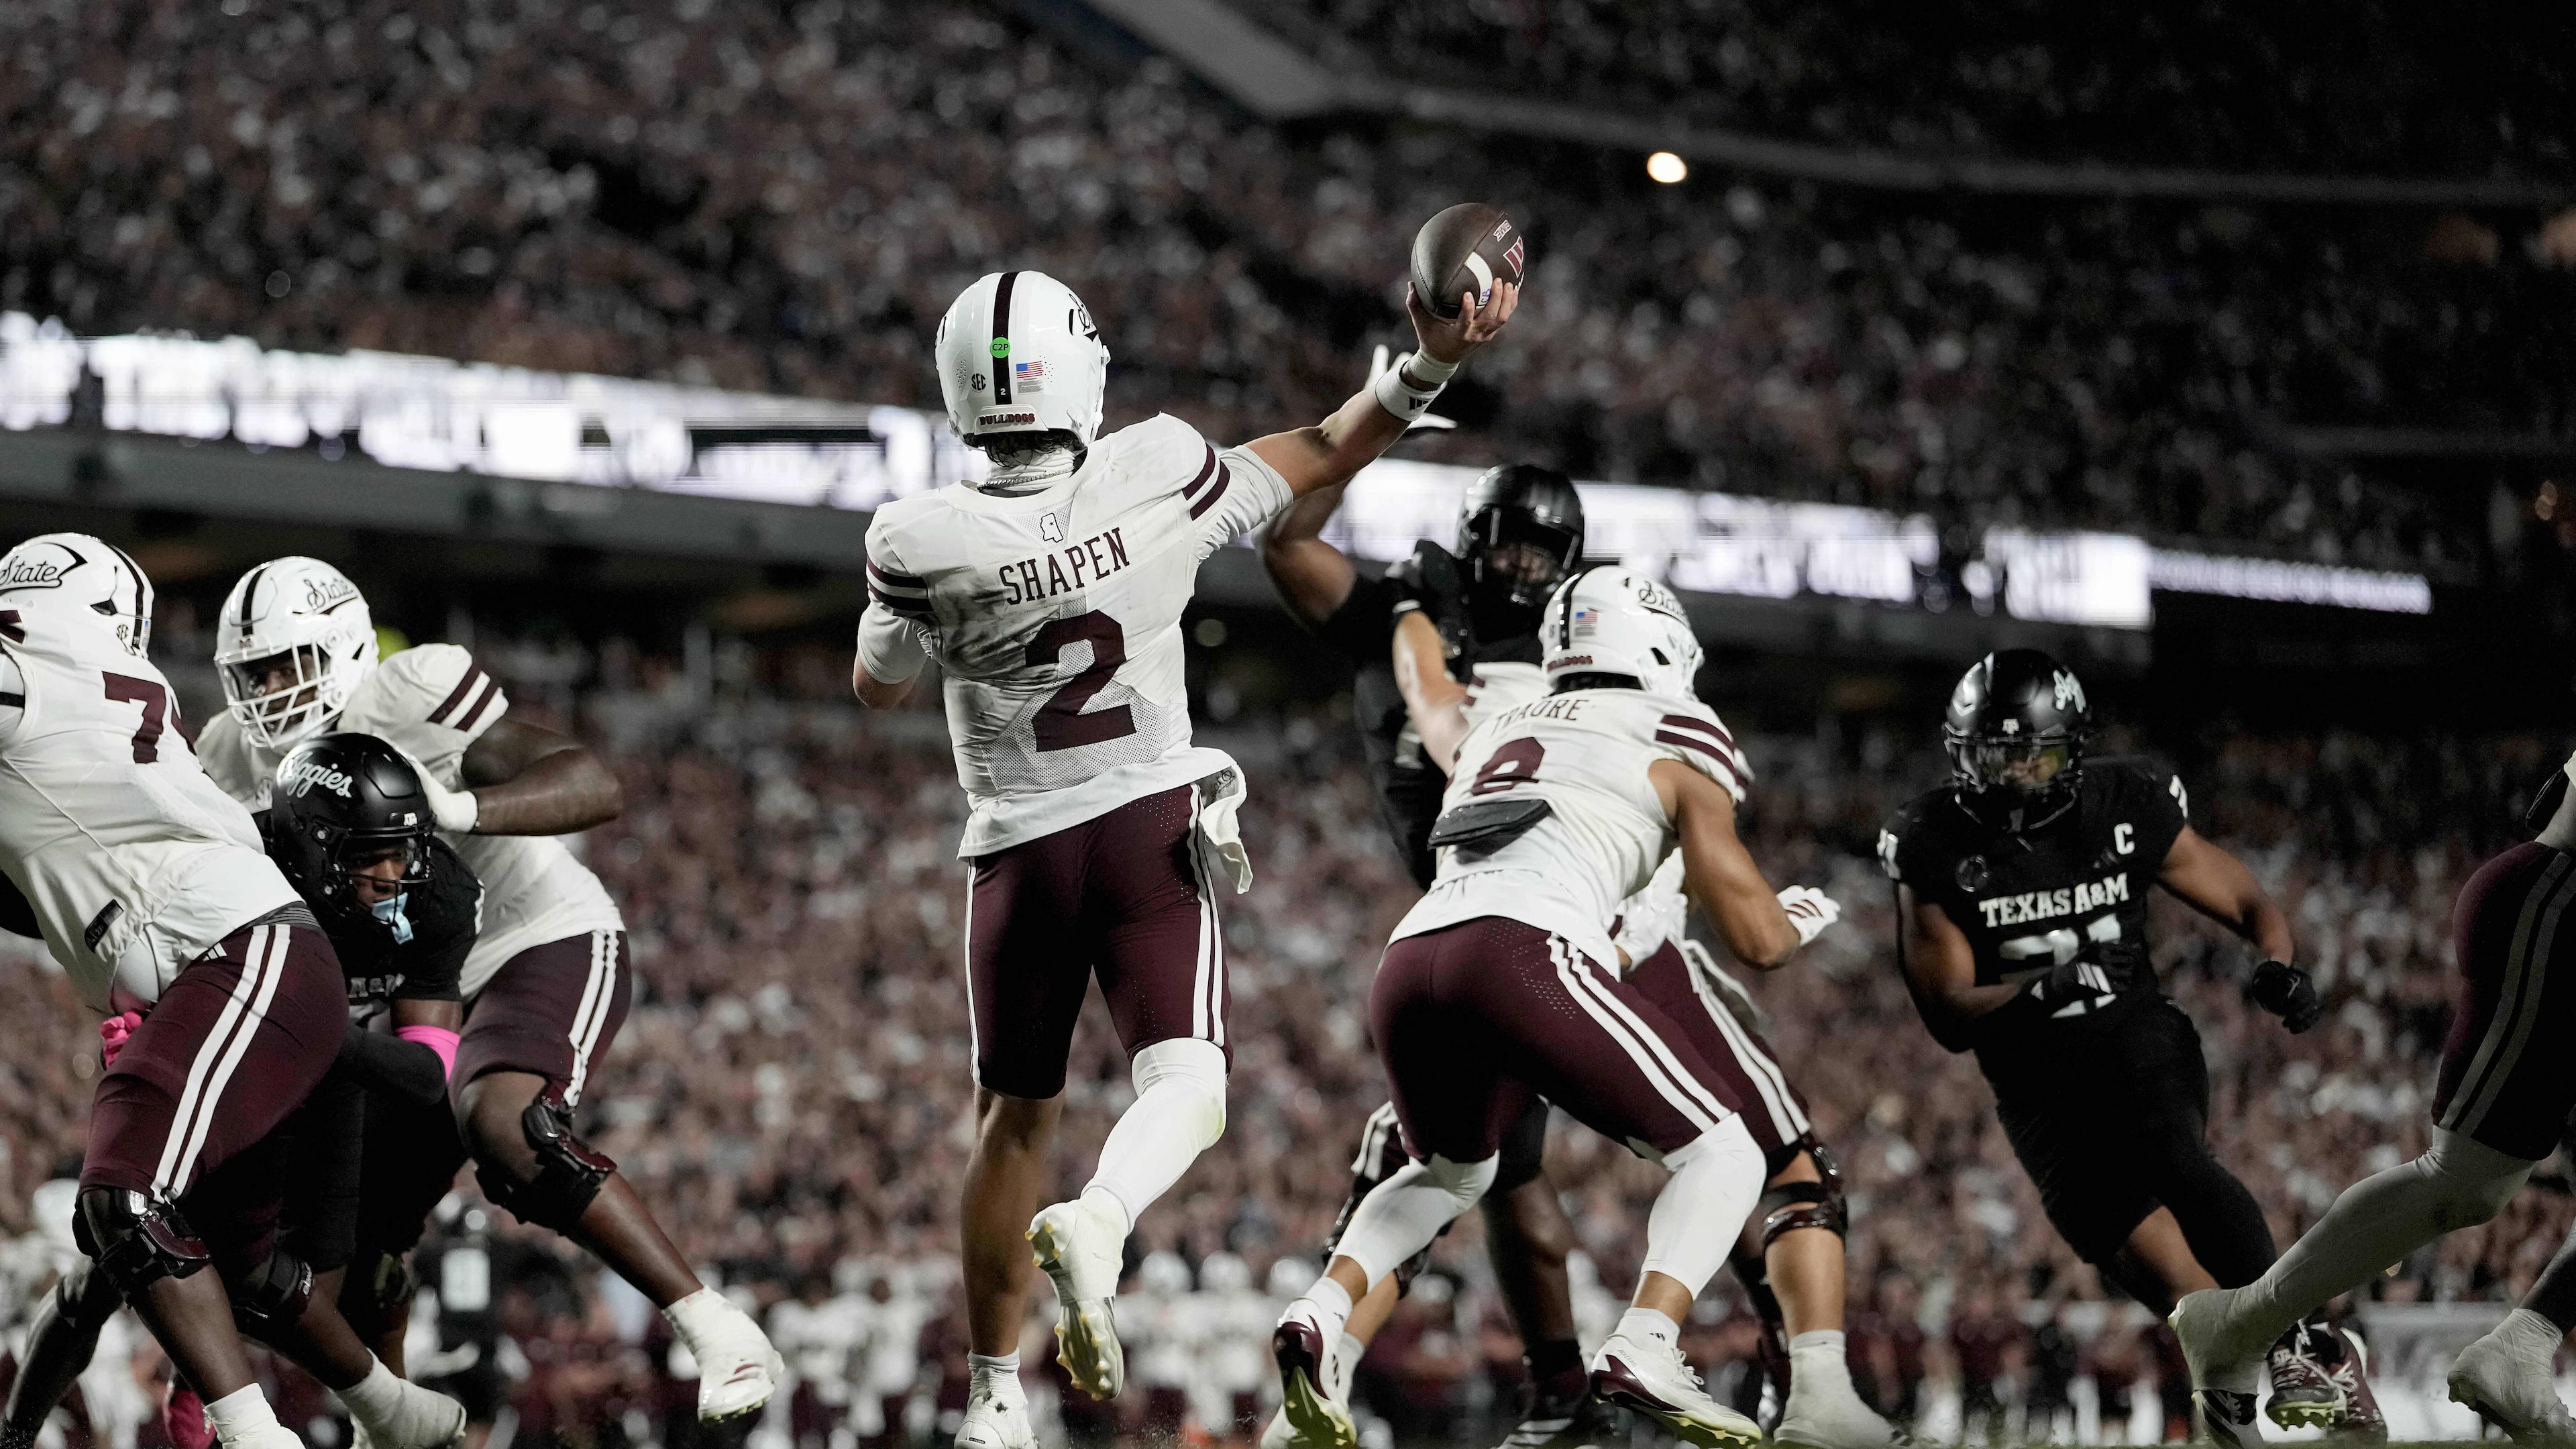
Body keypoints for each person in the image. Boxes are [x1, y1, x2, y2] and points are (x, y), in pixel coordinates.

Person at [849, 261, 1519, 1449]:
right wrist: (1426, 365)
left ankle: (994, 1396)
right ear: (1081, 370)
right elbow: (1315, 448)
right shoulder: (1154, 467)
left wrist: (925, 623)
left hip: (1014, 852)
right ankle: (1104, 1219)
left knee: (1011, 1117)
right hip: (1144, 827)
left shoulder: (916, 540)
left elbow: (878, 688)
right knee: (1188, 1084)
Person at [1272, 472, 1895, 1449]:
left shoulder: (1496, 726)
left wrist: (1407, 627)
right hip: (1530, 952)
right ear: (1658, 648)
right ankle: (1647, 1340)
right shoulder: (1680, 732)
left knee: (1449, 1174)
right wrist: (1806, 911)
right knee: (1726, 1149)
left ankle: (1320, 1312)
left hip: (1409, 960)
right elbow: (1760, 942)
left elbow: (1431, 700)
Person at [192, 557, 780, 1422]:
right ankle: (391, 1430)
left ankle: (713, 1324)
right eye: (256, 672)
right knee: (351, 1259)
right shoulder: (223, 753)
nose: (273, 690)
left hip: (527, 933)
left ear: (347, 650)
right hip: (400, 992)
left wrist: (460, 808)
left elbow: (592, 781)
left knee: (510, 1127)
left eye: (292, 664)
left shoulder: (409, 694)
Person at [0, 533, 460, 1449]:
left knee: (124, 1207)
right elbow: (51, 869)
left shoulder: (27, 667)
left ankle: (256, 1435)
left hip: (235, 966)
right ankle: (395, 1410)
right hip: (243, 974)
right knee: (243, 1273)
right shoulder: (121, 699)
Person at [1876, 647, 2377, 1435]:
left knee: (2173, 1155)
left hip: (2133, 1034)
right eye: (1990, 756)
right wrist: (2041, 989)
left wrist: (2279, 963)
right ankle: (2253, 1396)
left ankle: (2305, 1343)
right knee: (2178, 1294)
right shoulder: (1932, 840)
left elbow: (2245, 896)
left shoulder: (2126, 799)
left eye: (2029, 755)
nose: (2010, 777)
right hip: (2035, 1084)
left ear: (2071, 749)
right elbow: (1944, 1012)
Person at [2170, 747, 2576, 1448]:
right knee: (2468, 1183)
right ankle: (2239, 1325)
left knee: (2474, 1186)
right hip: (2558, 912)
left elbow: (2548, 796)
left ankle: (2523, 1347)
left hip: (2550, 907)